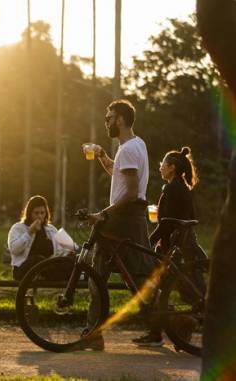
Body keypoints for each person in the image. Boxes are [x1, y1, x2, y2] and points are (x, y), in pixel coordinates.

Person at [81, 99, 157, 349]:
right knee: (138, 276)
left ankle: (93, 333)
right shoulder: (137, 144)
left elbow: (132, 192)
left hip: (123, 217)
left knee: (97, 273)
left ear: (120, 120)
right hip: (131, 216)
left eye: (109, 117)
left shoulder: (129, 149)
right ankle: (171, 323)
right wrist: (102, 154)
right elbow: (119, 174)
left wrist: (104, 213)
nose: (106, 121)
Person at [133, 146, 207, 346]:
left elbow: (168, 223)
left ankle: (181, 323)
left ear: (172, 167)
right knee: (160, 289)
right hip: (179, 245)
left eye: (163, 165)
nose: (160, 168)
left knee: (158, 287)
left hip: (175, 248)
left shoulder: (174, 189)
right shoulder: (178, 187)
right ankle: (163, 330)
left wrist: (147, 241)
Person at [8, 195, 73, 281]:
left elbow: (68, 247)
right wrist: (30, 232)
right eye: (36, 213)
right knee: (38, 259)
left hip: (47, 268)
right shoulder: (18, 228)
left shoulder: (51, 229)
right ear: (29, 213)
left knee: (70, 261)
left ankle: (79, 276)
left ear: (46, 213)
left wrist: (70, 253)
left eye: (42, 213)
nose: (39, 216)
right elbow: (14, 249)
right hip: (24, 270)